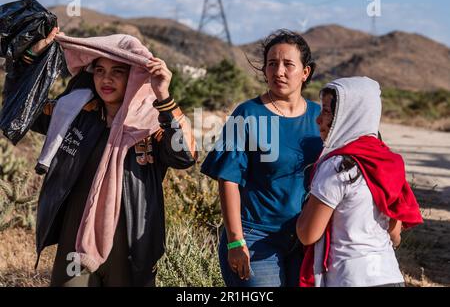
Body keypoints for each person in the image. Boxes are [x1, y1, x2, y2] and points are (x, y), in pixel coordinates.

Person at [17, 27, 197, 286]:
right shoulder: (74, 114)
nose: (106, 79)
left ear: (134, 76)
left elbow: (185, 156)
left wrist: (164, 99)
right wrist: (30, 59)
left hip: (131, 247)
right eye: (100, 70)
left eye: (117, 72)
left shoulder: (152, 125)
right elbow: (23, 111)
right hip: (75, 243)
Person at [200, 29, 323, 286]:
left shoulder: (320, 118)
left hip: (306, 240)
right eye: (272, 64)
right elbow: (228, 179)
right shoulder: (247, 113)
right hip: (255, 240)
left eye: (288, 64)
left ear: (305, 72)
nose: (278, 71)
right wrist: (235, 240)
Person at [296, 76, 423, 287]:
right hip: (390, 276)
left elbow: (308, 234)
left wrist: (299, 218)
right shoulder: (388, 163)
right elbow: (395, 236)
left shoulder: (338, 166)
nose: (318, 120)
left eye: (326, 112)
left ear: (348, 116)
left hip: (349, 278)